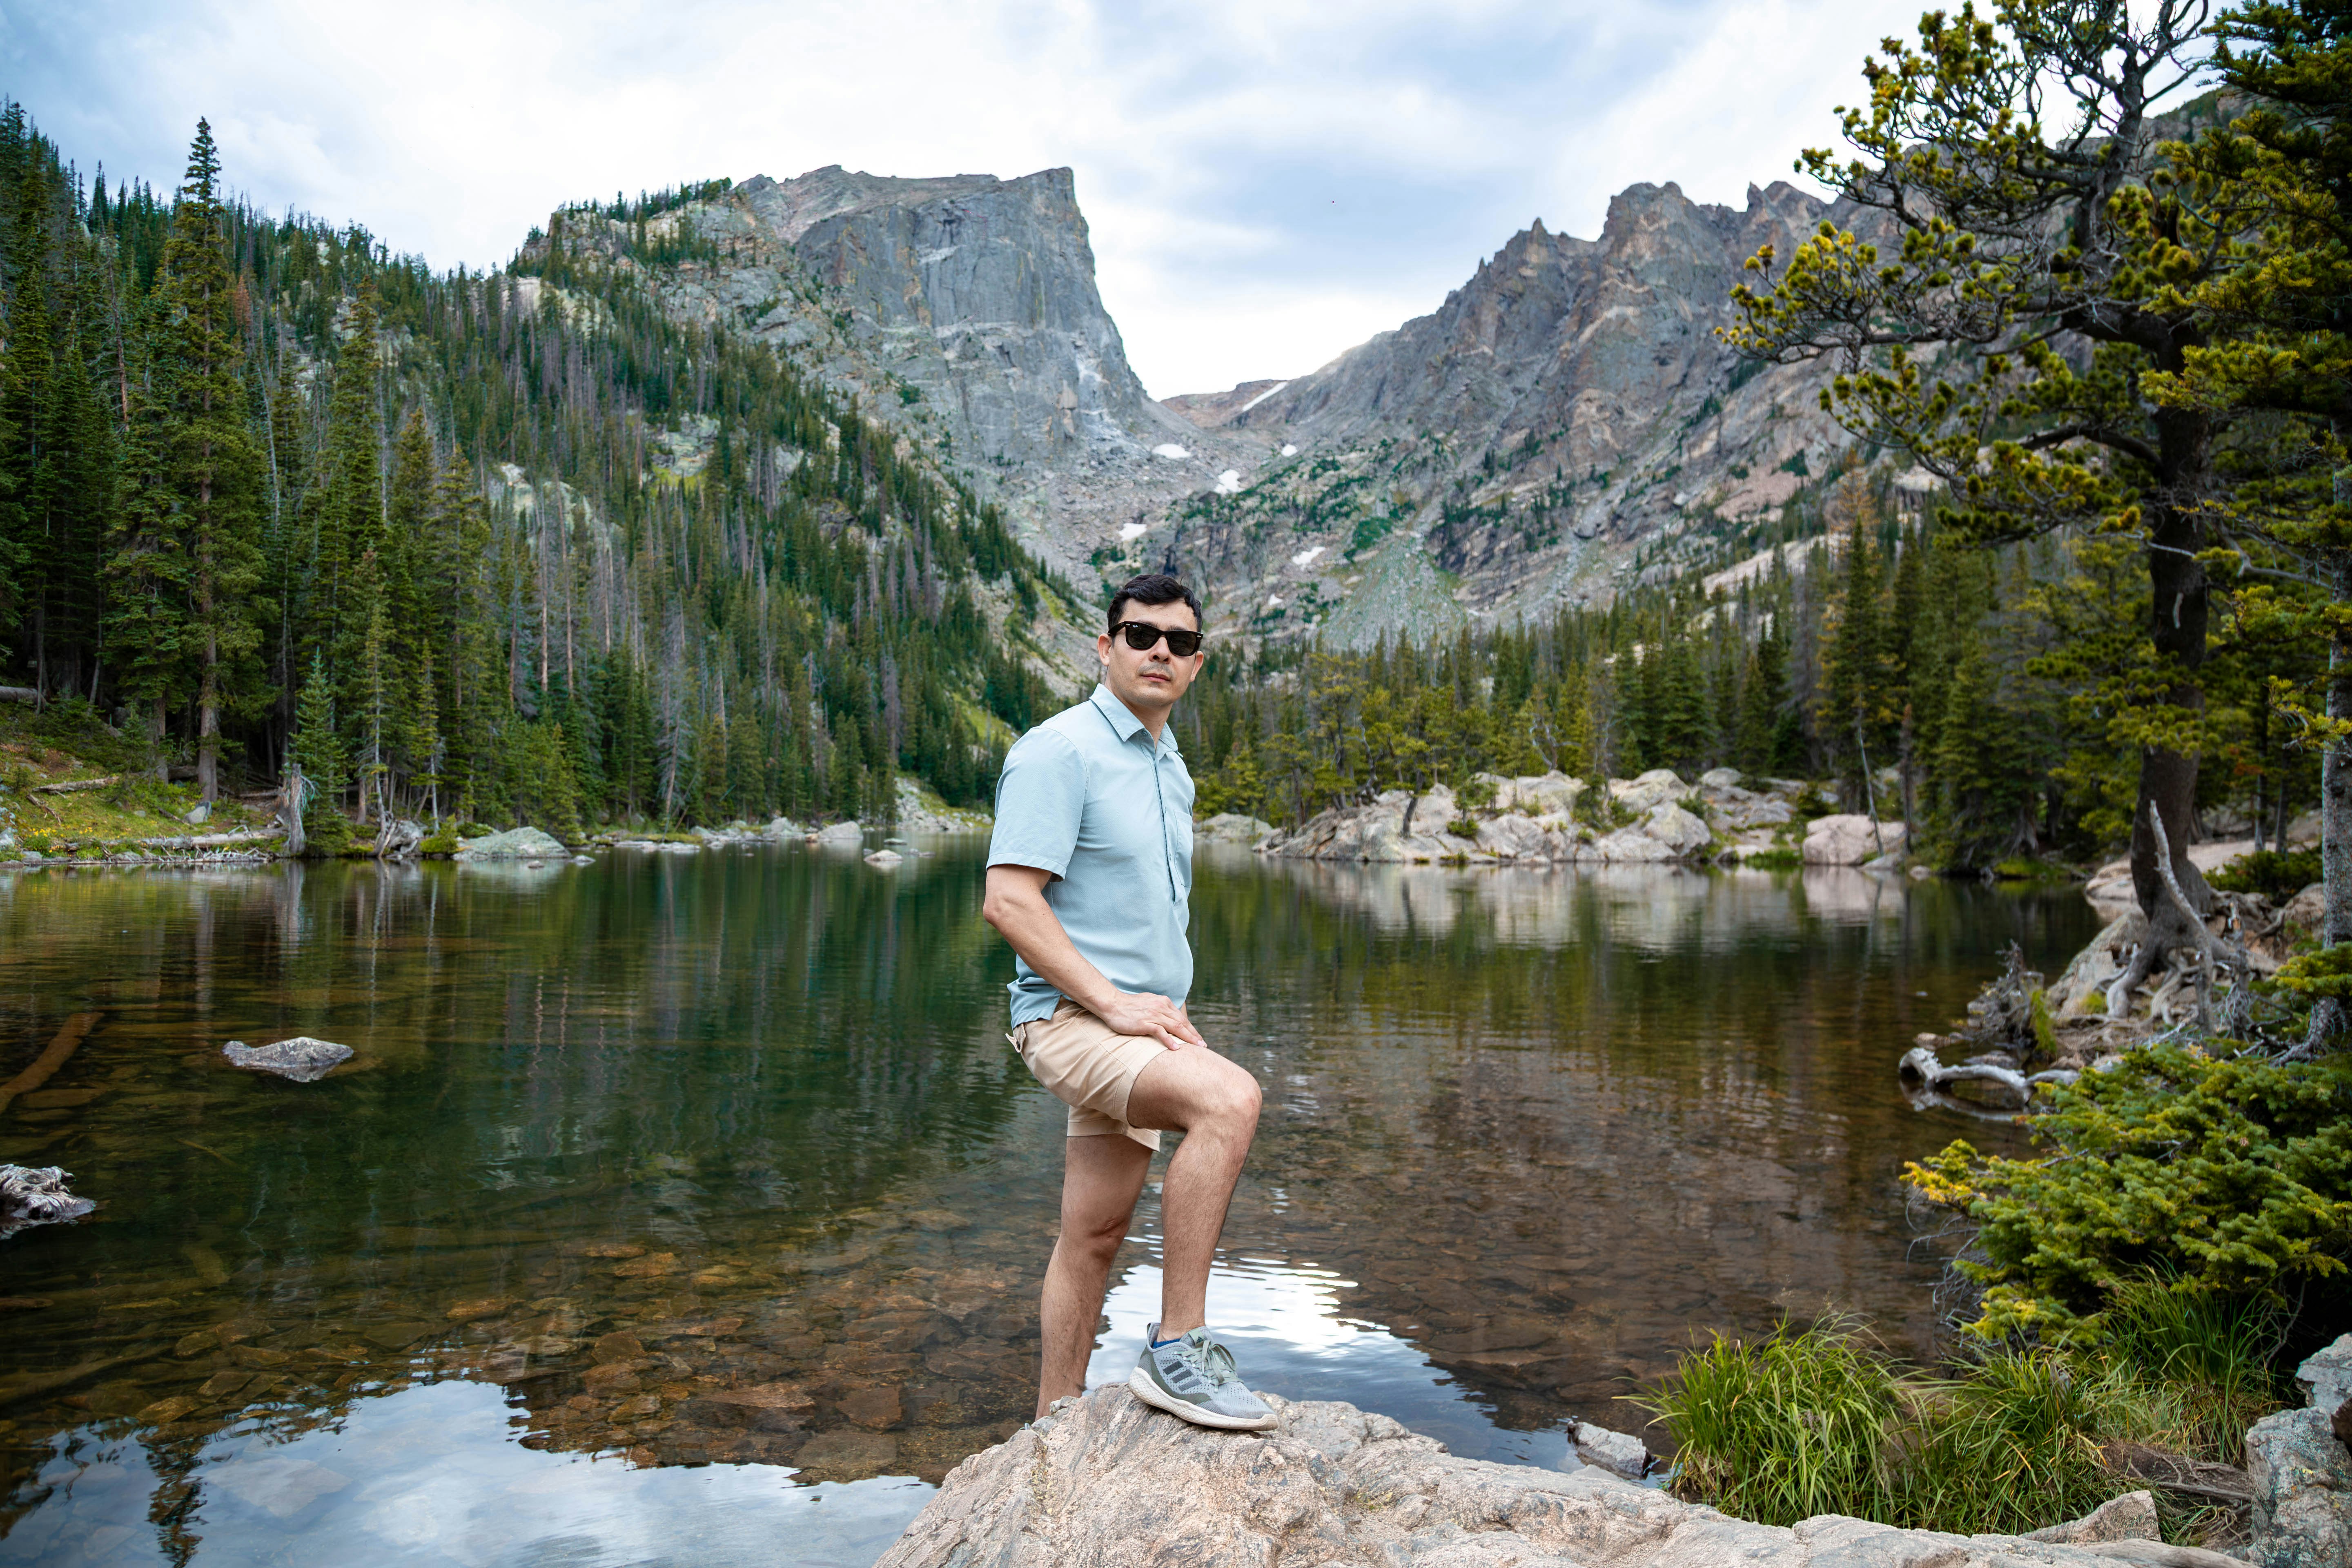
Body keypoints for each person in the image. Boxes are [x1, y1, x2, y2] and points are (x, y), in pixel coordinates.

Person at [980, 572, 1276, 1431]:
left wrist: (1150, 1009)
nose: (1161, 653)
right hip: (1071, 1020)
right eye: (1142, 636)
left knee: (1094, 1234)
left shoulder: (1166, 762)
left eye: (1180, 643)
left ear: (1196, 664)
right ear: (1104, 648)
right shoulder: (1058, 749)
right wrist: (1114, 1005)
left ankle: (1052, 1424)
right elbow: (1009, 901)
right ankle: (1181, 1350)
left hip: (1133, 1025)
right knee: (1231, 1101)